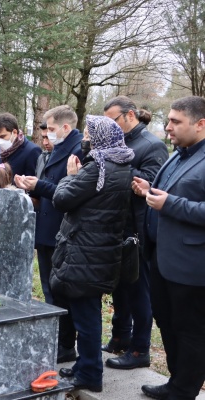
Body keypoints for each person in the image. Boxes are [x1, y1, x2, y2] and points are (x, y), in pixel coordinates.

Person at [52, 115, 134, 393]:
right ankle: (84, 365)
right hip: (101, 249)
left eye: (89, 133)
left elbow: (61, 199)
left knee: (86, 316)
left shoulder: (97, 168)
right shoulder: (121, 163)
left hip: (86, 250)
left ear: (100, 137)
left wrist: (69, 177)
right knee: (88, 312)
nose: (85, 137)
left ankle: (89, 373)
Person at [133, 96, 205, 400]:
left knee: (189, 329)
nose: (168, 127)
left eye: (176, 121)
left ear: (200, 124)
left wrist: (170, 203)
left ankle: (184, 389)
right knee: (167, 321)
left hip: (191, 265)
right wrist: (149, 191)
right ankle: (176, 381)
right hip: (161, 259)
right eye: (169, 120)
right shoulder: (180, 154)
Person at [101, 96, 168, 369]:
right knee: (119, 288)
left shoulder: (152, 145)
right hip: (118, 226)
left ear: (130, 116)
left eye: (113, 121)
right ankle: (120, 337)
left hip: (139, 230)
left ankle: (140, 350)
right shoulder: (122, 143)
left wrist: (118, 168)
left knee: (139, 290)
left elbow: (152, 184)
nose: (111, 127)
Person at [14, 105, 83, 363]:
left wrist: (39, 185)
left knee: (61, 291)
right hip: (47, 230)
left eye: (51, 129)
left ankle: (65, 344)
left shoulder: (76, 151)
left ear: (66, 127)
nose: (48, 135)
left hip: (62, 230)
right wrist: (31, 187)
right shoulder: (57, 149)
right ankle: (57, 339)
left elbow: (71, 191)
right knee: (49, 289)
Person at [0, 112, 41, 178]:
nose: (0, 141)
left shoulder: (32, 151)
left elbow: (34, 182)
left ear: (14, 132)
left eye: (2, 136)